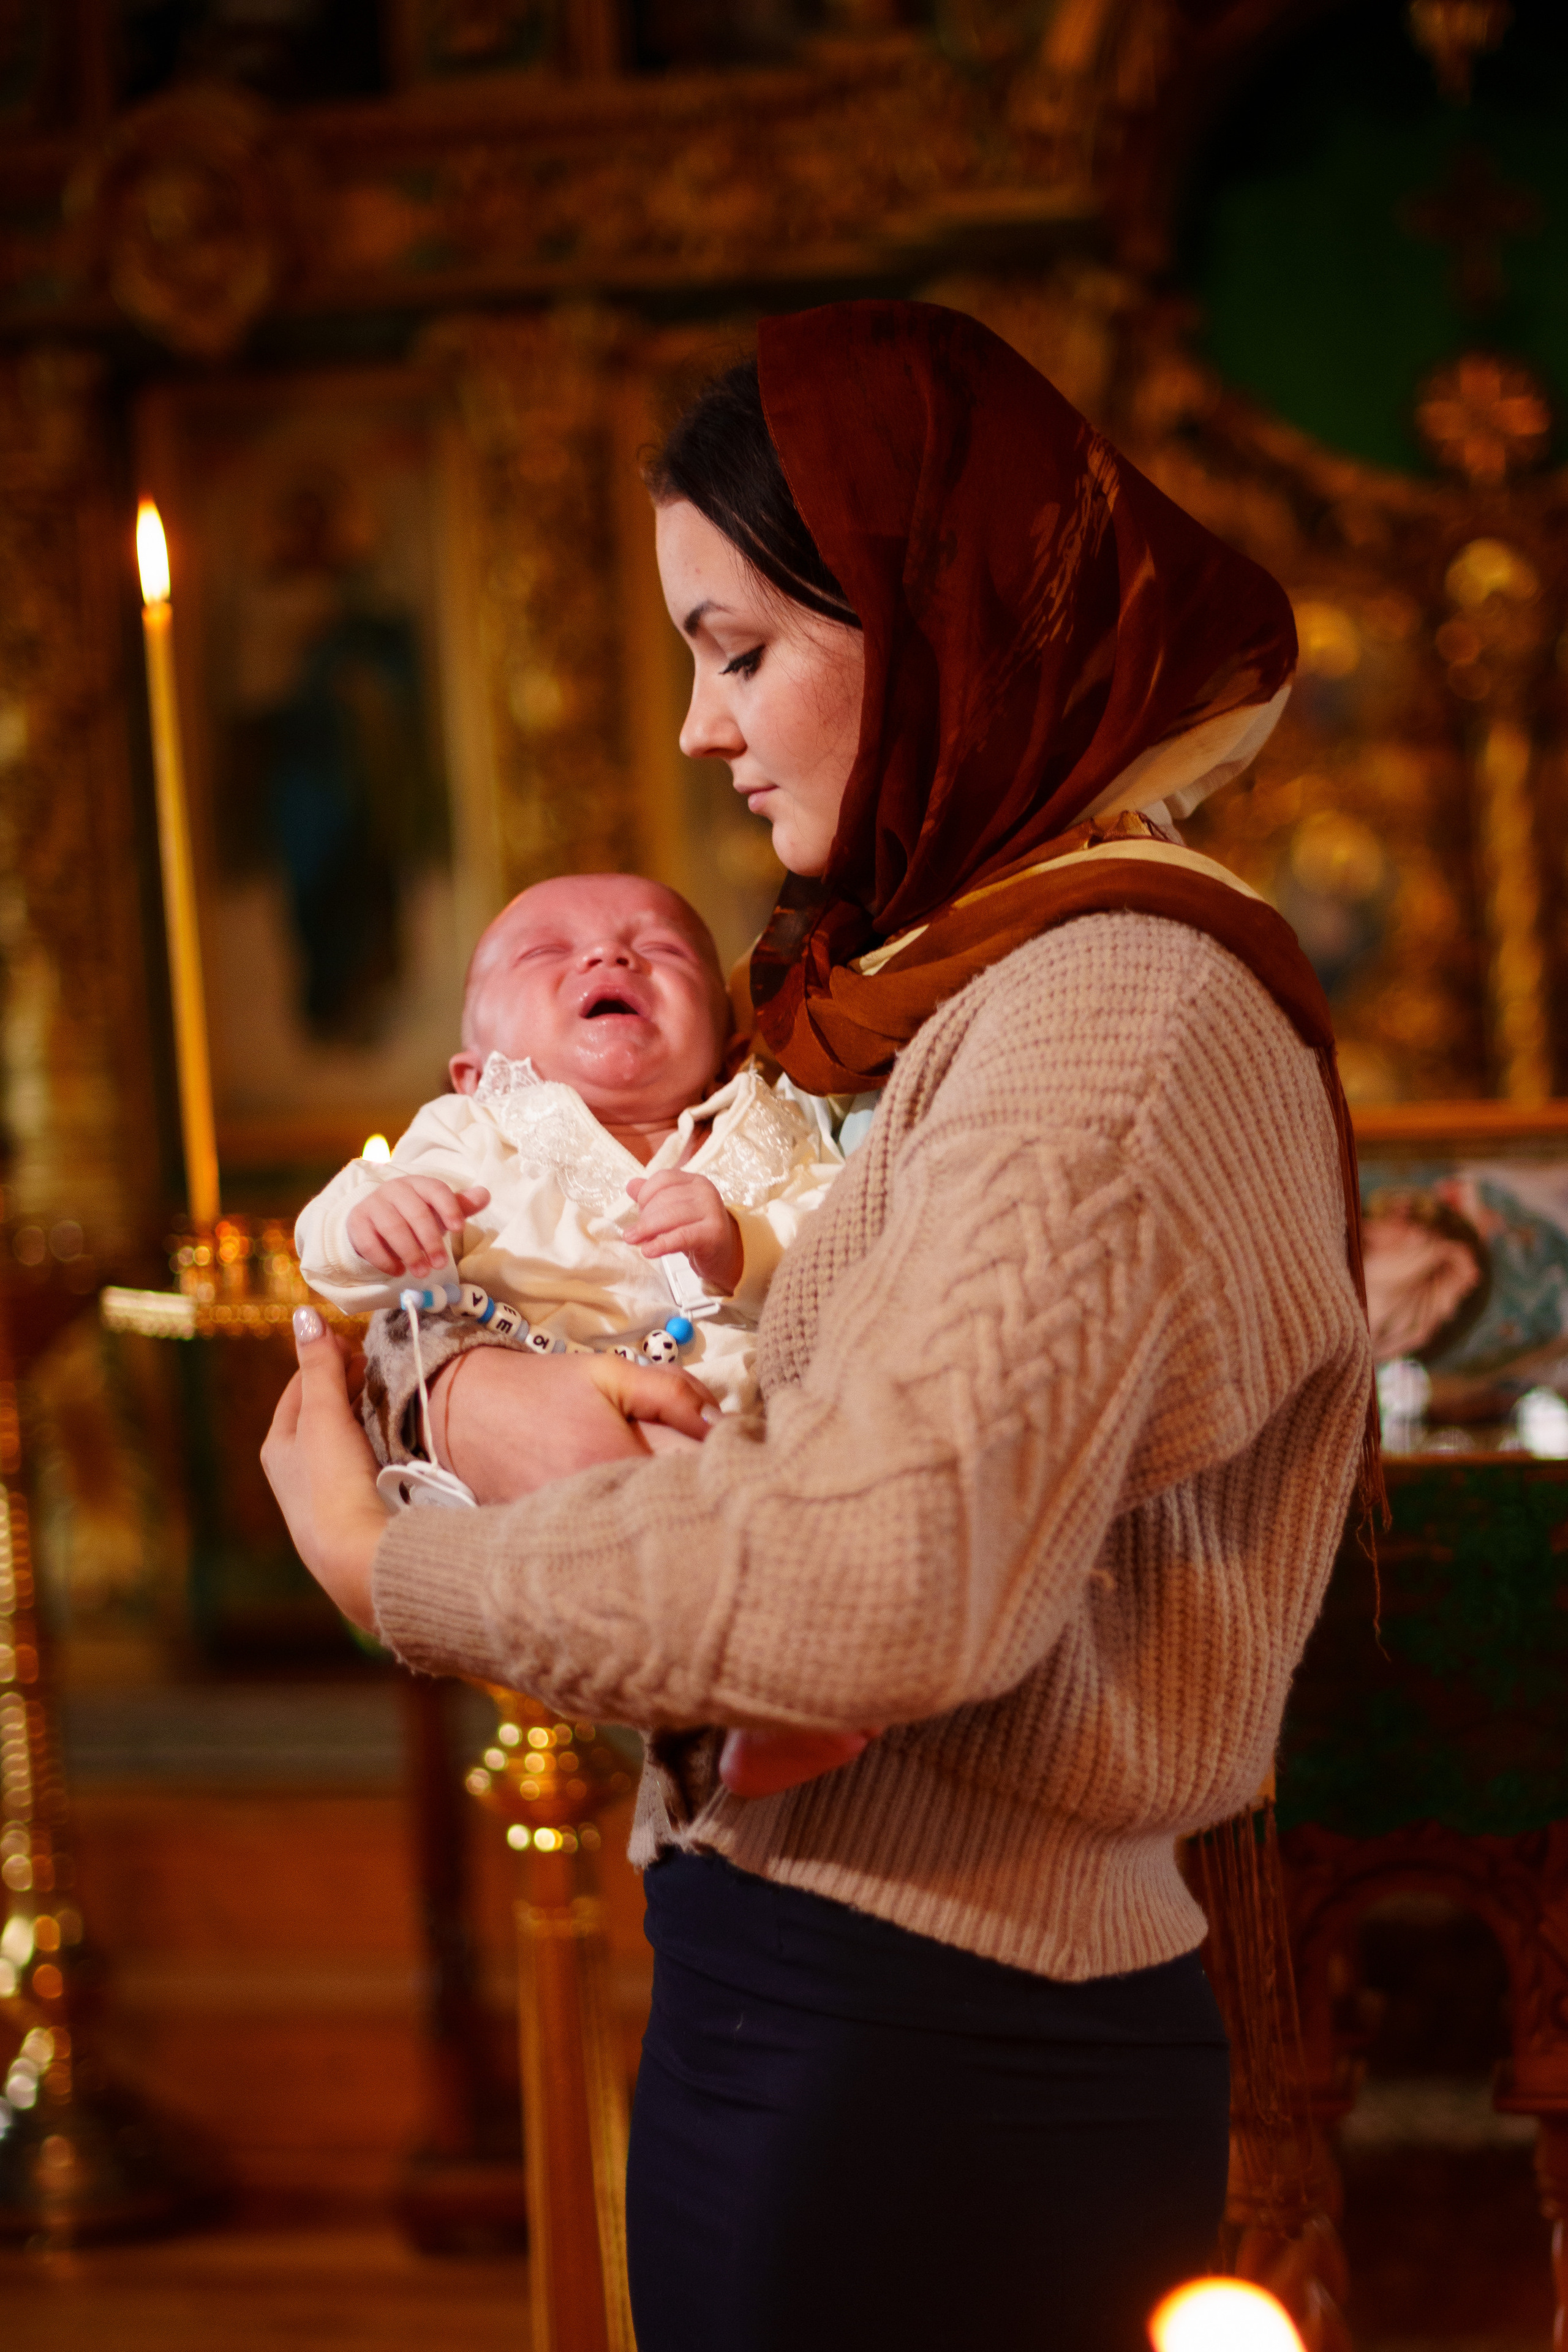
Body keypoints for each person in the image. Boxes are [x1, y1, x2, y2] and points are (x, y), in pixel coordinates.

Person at [263, 301, 1377, 2351]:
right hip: (834, 1993)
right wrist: (467, 1358)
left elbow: (886, 1583)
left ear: (938, 618)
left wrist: (386, 1558)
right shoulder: (975, 987)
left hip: (934, 2046)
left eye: (741, 646)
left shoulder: (1113, 1019)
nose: (702, 729)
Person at [295, 869, 867, 1797]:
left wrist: (746, 1244)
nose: (609, 956)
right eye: (547, 952)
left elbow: (847, 1227)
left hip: (754, 1412)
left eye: (664, 949)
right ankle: (771, 1695)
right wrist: (375, 1223)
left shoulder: (772, 1128)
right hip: (561, 1432)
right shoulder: (473, 1134)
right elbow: (329, 1239)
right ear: (475, 1069)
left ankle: (788, 1686)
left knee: (790, 1508)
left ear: (727, 1050)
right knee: (649, 1513)